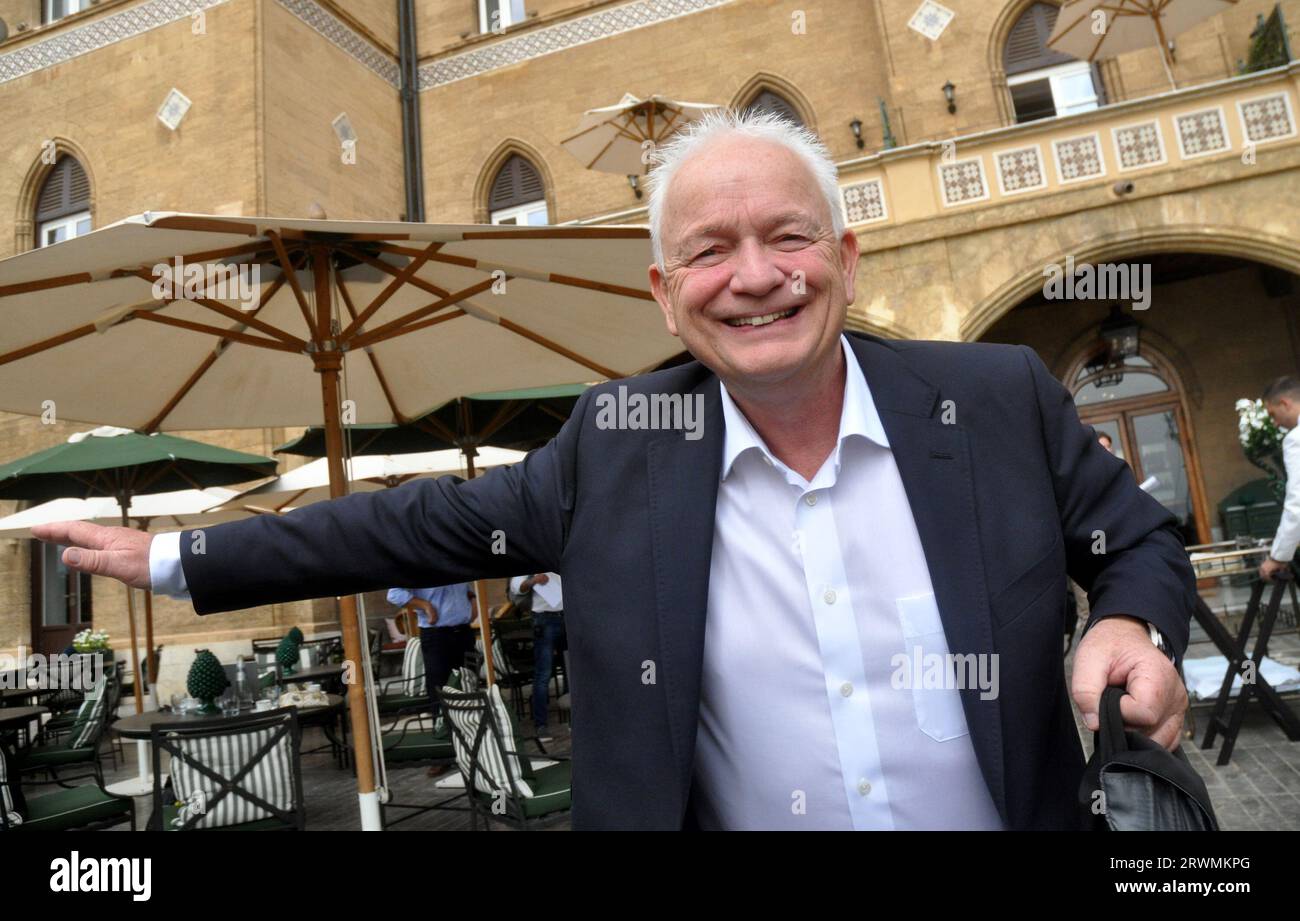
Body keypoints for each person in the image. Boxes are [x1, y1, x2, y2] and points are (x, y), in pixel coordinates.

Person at [32, 109, 1194, 830]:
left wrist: (1129, 624)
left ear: (842, 257)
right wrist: (177, 555)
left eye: (787, 237)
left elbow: (1136, 539)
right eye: (708, 251)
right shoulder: (621, 441)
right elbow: (408, 526)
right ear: (663, 294)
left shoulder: (991, 399)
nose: (754, 276)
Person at [508, 572, 565, 740]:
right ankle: (541, 725)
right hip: (544, 619)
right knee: (543, 674)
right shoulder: (533, 557)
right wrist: (533, 580)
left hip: (566, 616)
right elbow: (516, 587)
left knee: (572, 668)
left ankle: (572, 718)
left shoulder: (557, 558)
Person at [1259, 376, 1300, 583]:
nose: (1275, 423)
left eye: (1273, 415)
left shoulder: (1296, 439)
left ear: (1285, 403)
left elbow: (1298, 501)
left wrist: (1278, 556)